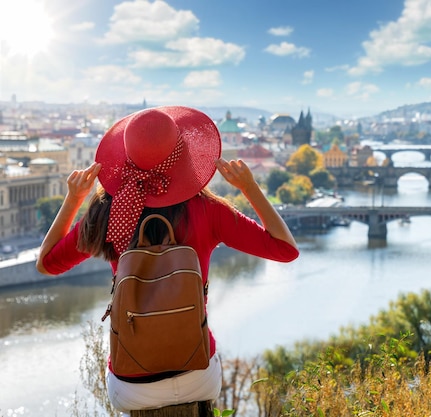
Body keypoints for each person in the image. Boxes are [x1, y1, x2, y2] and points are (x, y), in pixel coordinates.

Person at [35, 106, 299, 414]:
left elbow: (47, 263)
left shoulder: (109, 212)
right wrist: (249, 187)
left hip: (130, 382)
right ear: (184, 158)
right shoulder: (207, 211)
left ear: (125, 156)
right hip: (196, 372)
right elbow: (285, 249)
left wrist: (73, 199)